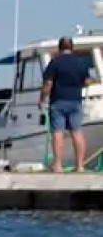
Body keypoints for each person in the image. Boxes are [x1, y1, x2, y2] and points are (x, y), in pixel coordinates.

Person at [41, 36, 98, 172]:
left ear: (60, 48)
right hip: (76, 102)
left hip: (58, 101)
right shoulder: (81, 63)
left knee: (58, 133)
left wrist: (42, 99)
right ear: (72, 47)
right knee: (77, 133)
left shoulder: (54, 63)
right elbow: (87, 81)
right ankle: (79, 166)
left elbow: (48, 84)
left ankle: (58, 165)